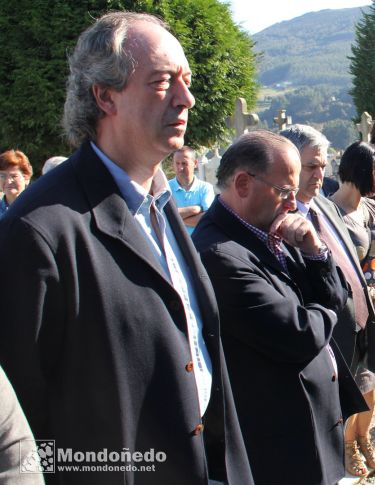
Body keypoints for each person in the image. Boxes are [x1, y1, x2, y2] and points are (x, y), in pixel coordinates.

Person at [0, 12, 252, 484]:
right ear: (104, 96)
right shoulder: (39, 231)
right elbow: (21, 424)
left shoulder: (160, 201)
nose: (187, 98)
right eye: (162, 82)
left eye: (186, 80)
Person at [192, 131, 367, 484]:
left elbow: (338, 292)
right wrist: (326, 311)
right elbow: (299, 335)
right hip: (279, 441)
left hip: (310, 422)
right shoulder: (219, 254)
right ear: (243, 183)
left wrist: (316, 251)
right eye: (285, 192)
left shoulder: (270, 228)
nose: (293, 203)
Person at [280, 124, 375, 382]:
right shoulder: (278, 221)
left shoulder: (329, 207)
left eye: (323, 167)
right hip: (322, 346)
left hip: (357, 336)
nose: (319, 174)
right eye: (311, 166)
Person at [330, 142, 375, 476]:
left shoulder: (373, 208)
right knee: (353, 381)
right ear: (361, 169)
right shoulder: (330, 213)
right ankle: (345, 445)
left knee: (373, 381)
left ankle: (365, 437)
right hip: (351, 315)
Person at [169, 146, 215, 234]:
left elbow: (208, 219)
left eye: (184, 163)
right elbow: (162, 216)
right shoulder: (166, 188)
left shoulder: (205, 188)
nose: (180, 168)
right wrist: (195, 209)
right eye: (177, 163)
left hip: (200, 244)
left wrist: (174, 219)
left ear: (195, 163)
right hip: (175, 246)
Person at [0, 150, 32, 218]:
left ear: (26, 178)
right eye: (2, 176)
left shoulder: (35, 208)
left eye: (14, 176)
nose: (8, 181)